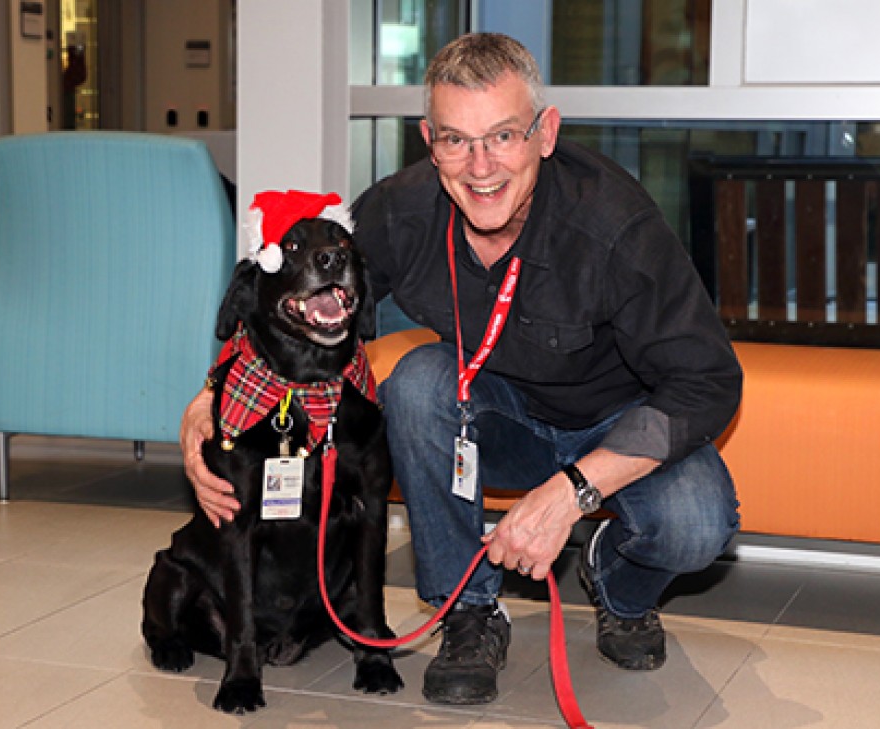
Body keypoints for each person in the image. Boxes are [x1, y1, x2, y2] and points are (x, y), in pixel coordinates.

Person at [181, 32, 742, 707]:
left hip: (615, 424)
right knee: (417, 382)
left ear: (545, 133)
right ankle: (468, 611)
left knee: (698, 521)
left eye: (502, 136)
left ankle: (618, 587)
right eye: (455, 140)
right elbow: (285, 293)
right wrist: (212, 396)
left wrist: (573, 490)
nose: (480, 167)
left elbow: (710, 381)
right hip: (496, 419)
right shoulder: (401, 211)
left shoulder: (614, 225)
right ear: (429, 140)